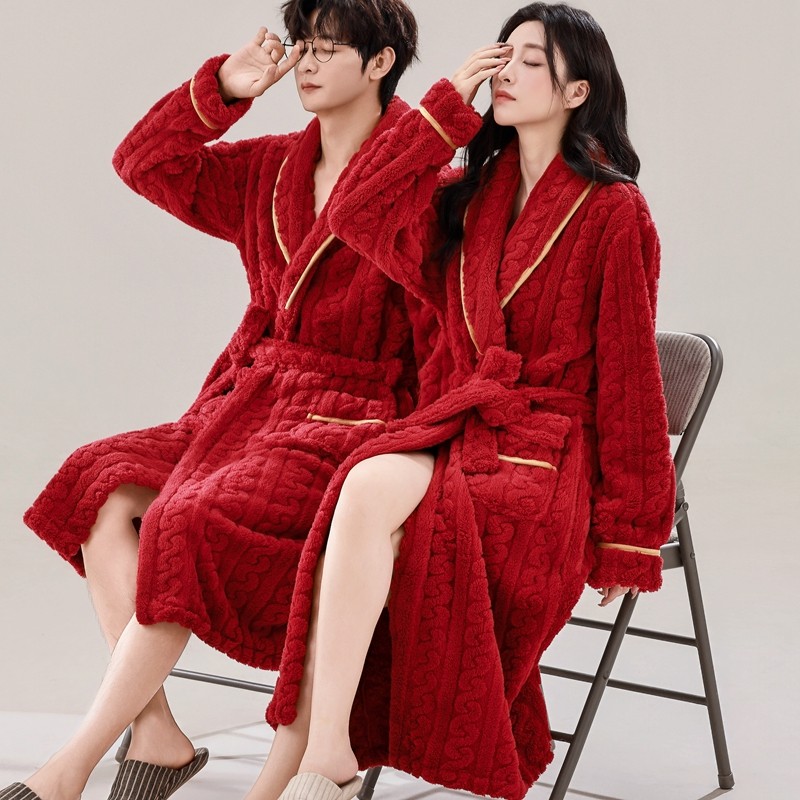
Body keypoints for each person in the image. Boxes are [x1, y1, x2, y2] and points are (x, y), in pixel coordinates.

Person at [3, 3, 419, 800]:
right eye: (303, 46)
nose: (306, 64)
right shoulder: (269, 169)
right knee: (98, 483)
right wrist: (224, 89)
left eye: (328, 49)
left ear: (380, 63)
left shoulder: (424, 179)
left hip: (352, 413)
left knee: (185, 517)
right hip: (246, 400)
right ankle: (156, 732)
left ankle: (70, 766)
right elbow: (144, 162)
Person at [262, 4, 676, 800]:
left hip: (545, 452)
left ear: (578, 90)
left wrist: (629, 533)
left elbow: (631, 375)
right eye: (501, 55)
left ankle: (315, 760)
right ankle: (328, 751)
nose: (505, 72)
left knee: (387, 509)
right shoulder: (468, 196)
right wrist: (444, 109)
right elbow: (355, 212)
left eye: (530, 61)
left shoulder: (614, 211)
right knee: (362, 481)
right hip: (460, 424)